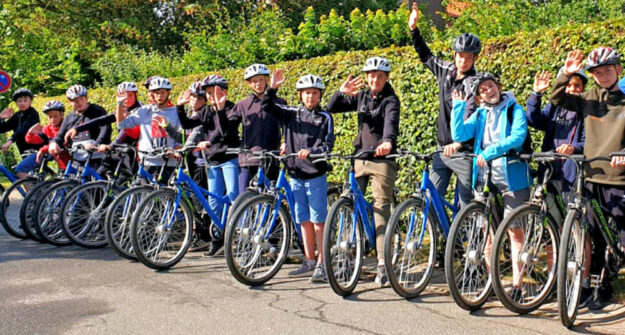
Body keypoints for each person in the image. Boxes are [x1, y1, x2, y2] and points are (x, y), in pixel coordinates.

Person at [550, 47, 625, 309]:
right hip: (592, 175)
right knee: (594, 233)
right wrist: (566, 73)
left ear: (618, 70)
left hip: (619, 177)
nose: (602, 75)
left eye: (607, 70)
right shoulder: (589, 98)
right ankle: (598, 287)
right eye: (596, 72)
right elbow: (557, 99)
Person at [451, 72, 532, 299]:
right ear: (479, 97)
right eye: (483, 90)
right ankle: (492, 283)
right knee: (487, 233)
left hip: (511, 178)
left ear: (498, 86)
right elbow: (460, 134)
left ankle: (517, 286)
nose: (488, 90)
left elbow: (517, 137)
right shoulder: (480, 114)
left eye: (491, 86)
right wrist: (458, 107)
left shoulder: (514, 109)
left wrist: (488, 152)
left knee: (515, 231)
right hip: (484, 178)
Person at [328, 56, 400, 287]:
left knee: (380, 208)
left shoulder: (391, 100)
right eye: (370, 75)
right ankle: (347, 257)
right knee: (348, 206)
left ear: (386, 78)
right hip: (359, 158)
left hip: (381, 160)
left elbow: (391, 124)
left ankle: (382, 264)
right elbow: (331, 108)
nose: (374, 79)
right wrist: (341, 91)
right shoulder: (361, 96)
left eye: (379, 76)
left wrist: (387, 141)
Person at [263, 71, 335, 283]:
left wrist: (313, 151)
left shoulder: (325, 117)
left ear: (320, 95)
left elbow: (328, 145)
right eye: (306, 93)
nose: (310, 97)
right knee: (302, 219)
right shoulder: (291, 113)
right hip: (295, 174)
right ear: (300, 95)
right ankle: (309, 260)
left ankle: (322, 263)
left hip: (315, 174)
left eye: (314, 93)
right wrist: (272, 88)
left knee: (318, 220)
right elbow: (268, 107)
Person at [409, 1, 478, 207]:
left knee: (467, 206)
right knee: (430, 201)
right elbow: (426, 56)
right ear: (454, 55)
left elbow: (473, 114)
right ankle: (441, 236)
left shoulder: (475, 83)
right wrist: (414, 30)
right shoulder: (446, 71)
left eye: (468, 57)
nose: (462, 61)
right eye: (459, 56)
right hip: (442, 149)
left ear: (475, 58)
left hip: (463, 151)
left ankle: (471, 237)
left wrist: (460, 143)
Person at [182, 75, 240, 224]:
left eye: (215, 91)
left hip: (229, 159)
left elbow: (225, 132)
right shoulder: (206, 111)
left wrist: (220, 109)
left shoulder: (232, 108)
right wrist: (180, 107)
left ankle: (239, 229)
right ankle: (218, 234)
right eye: (208, 93)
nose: (212, 96)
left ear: (224, 92)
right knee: (214, 201)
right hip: (213, 161)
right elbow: (187, 124)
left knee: (234, 196)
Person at [526, 69, 586, 193]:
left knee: (571, 209)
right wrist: (536, 94)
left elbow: (590, 141)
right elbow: (533, 120)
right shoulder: (554, 108)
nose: (572, 89)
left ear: (584, 87)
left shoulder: (586, 111)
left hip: (572, 173)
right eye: (568, 85)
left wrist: (574, 148)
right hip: (550, 169)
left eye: (577, 85)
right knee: (548, 209)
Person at [230, 64, 285, 194]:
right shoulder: (242, 105)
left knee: (270, 199)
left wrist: (285, 142)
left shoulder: (280, 103)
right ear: (249, 83)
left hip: (271, 157)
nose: (258, 84)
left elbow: (287, 126)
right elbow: (228, 127)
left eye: (261, 80)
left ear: (267, 80)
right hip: (248, 159)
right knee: (244, 199)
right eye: (254, 81)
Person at [115, 76, 182, 178]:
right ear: (152, 94)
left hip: (167, 162)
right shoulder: (144, 110)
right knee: (143, 192)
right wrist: (120, 104)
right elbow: (121, 124)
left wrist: (176, 151)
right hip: (147, 160)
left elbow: (181, 138)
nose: (159, 96)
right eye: (156, 93)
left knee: (164, 193)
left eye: (162, 92)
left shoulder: (176, 112)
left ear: (168, 93)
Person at [48, 85, 111, 164]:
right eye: (75, 100)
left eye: (82, 98)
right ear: (69, 102)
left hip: (98, 154)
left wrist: (96, 143)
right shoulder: (69, 118)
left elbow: (105, 129)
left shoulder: (98, 111)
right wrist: (54, 143)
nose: (80, 102)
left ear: (86, 98)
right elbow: (60, 136)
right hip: (78, 157)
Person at [0, 88, 40, 179]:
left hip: (35, 150)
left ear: (31, 101)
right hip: (23, 151)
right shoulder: (17, 115)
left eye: (25, 100)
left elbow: (22, 130)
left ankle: (31, 193)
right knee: (27, 176)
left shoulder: (33, 114)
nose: (22, 103)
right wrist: (1, 118)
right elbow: (3, 128)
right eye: (19, 101)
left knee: (20, 171)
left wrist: (10, 140)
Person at [25, 100, 71, 170]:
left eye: (55, 116)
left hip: (73, 161)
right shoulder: (48, 128)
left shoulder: (67, 126)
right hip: (61, 164)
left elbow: (62, 143)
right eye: (50, 117)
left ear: (62, 115)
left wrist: (43, 150)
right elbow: (32, 140)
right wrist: (30, 132)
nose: (52, 119)